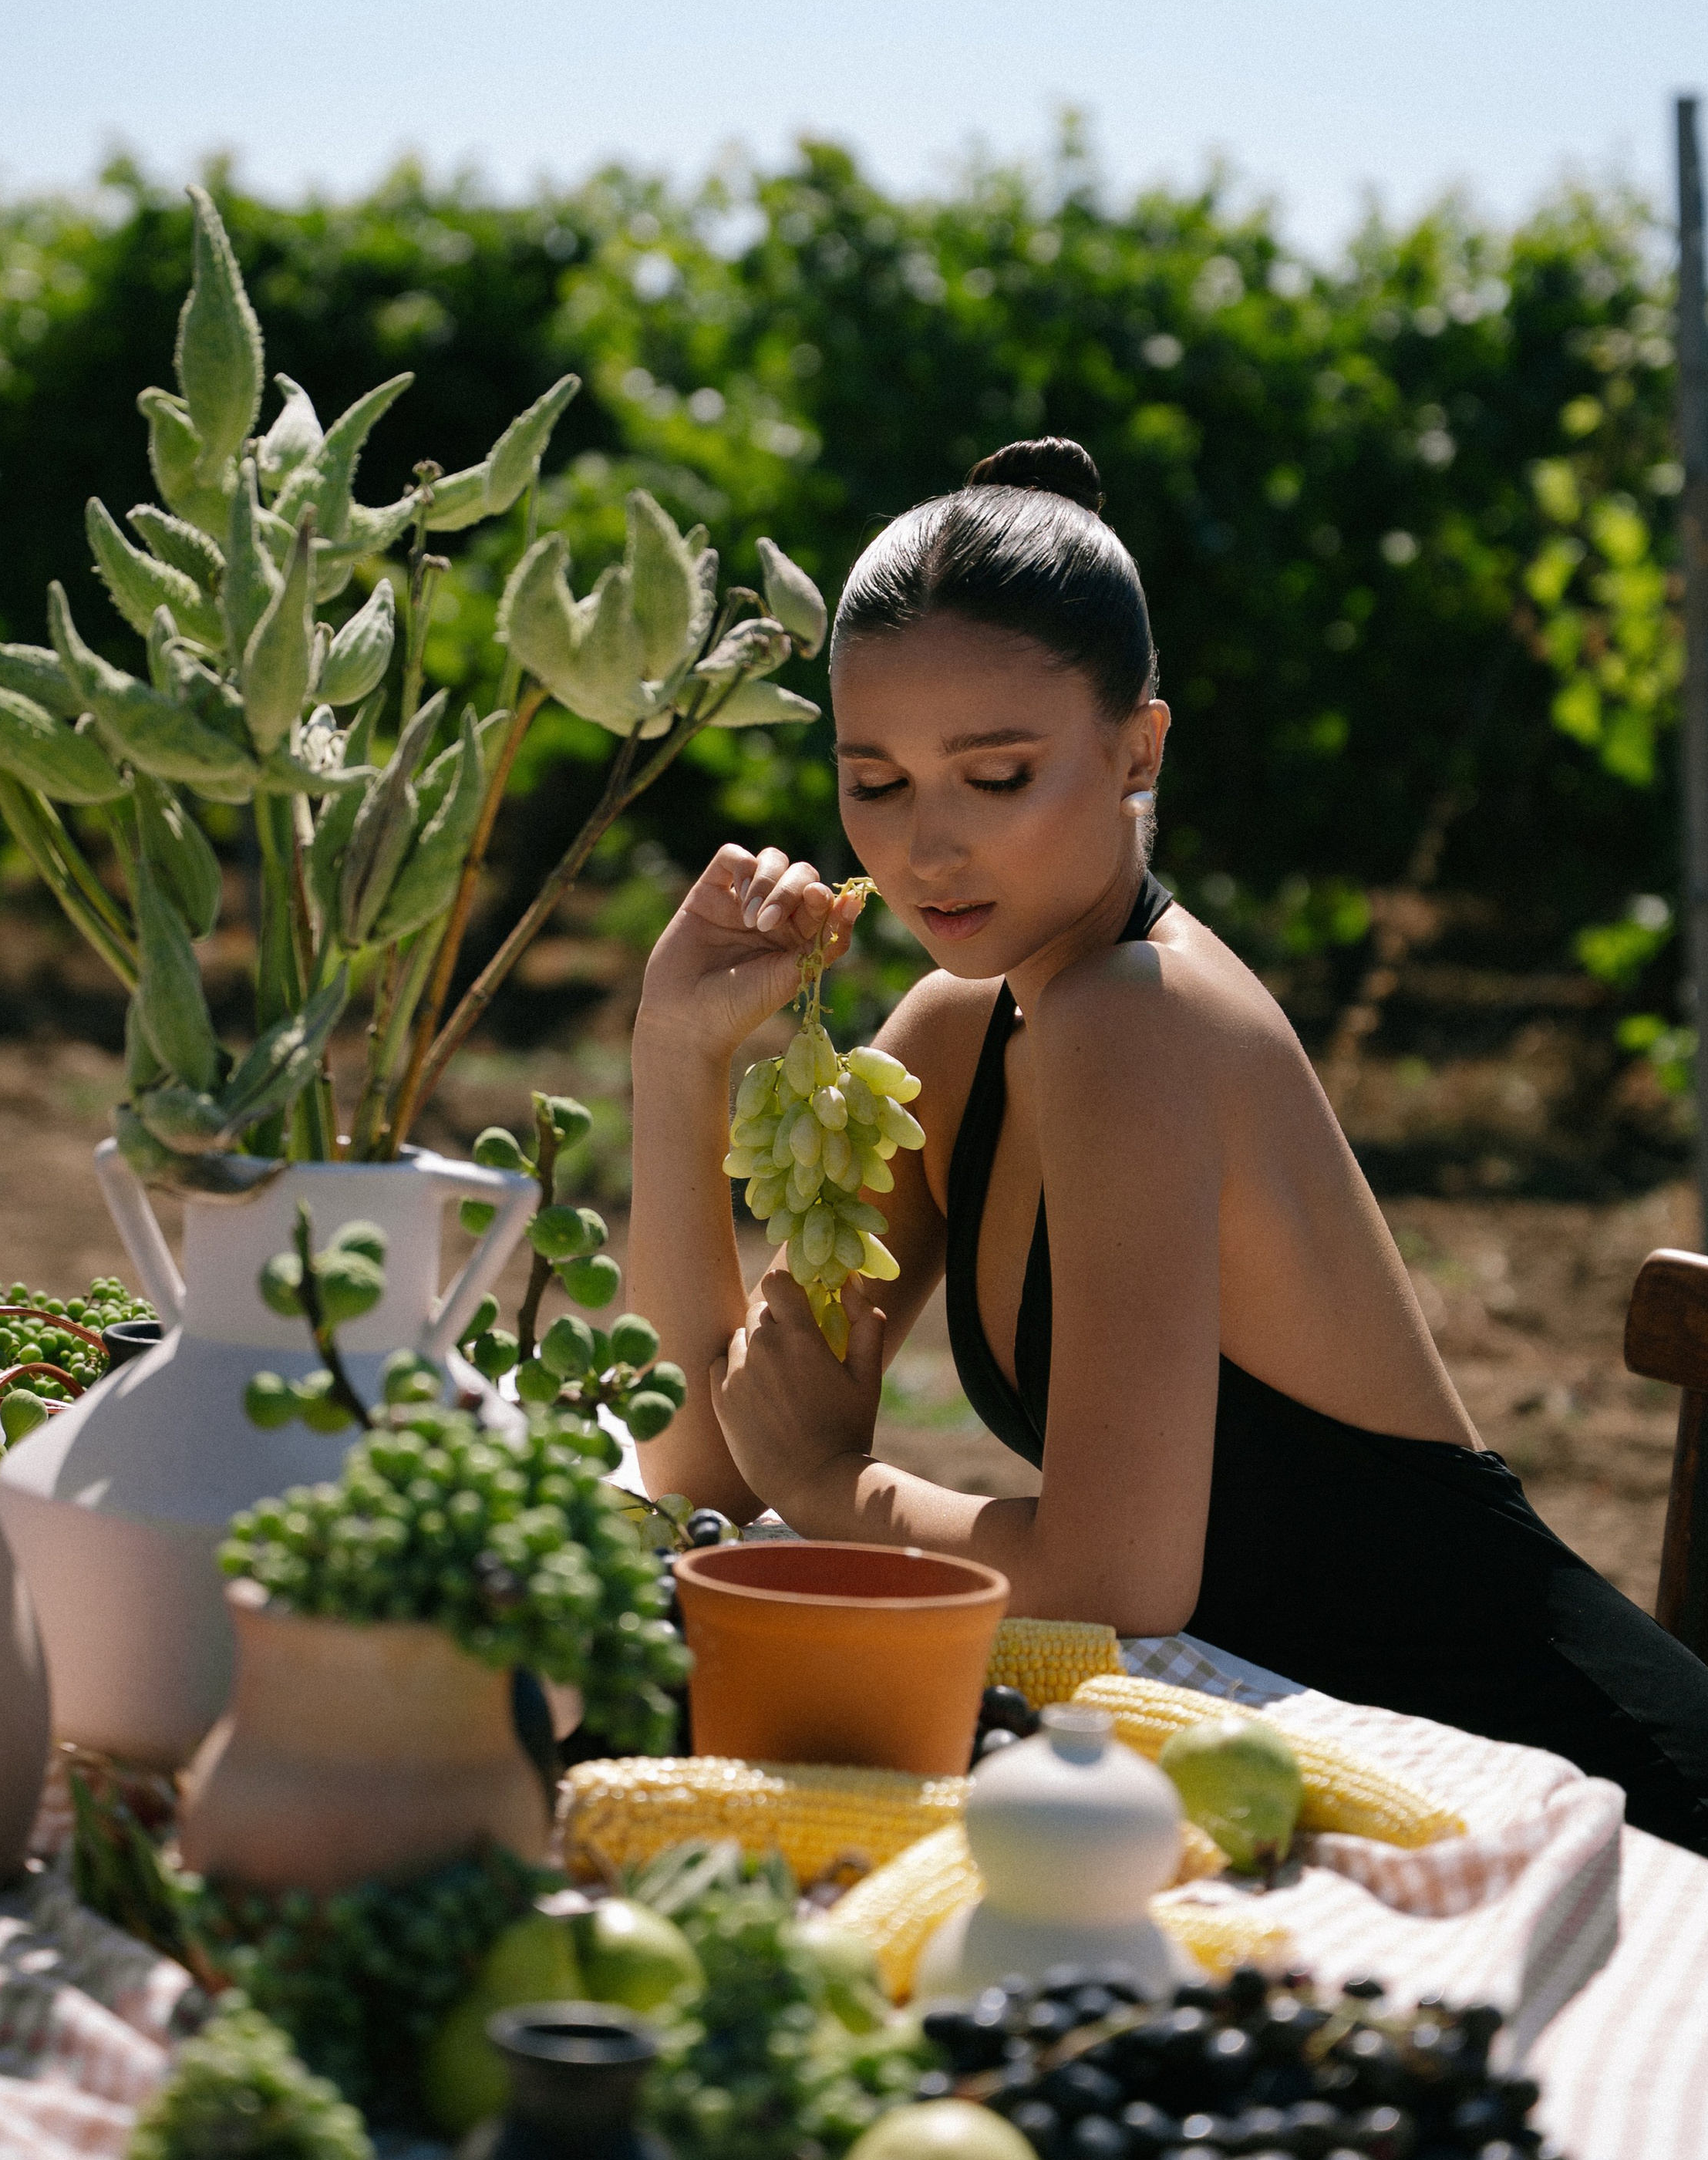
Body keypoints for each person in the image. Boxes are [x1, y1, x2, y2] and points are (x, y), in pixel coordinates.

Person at [629, 434, 1708, 1855]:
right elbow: (703, 1457)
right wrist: (674, 1055)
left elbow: (1107, 1582)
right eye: (875, 783)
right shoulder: (960, 1028)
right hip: (1297, 1764)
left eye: (997, 777)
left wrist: (837, 1490)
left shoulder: (1138, 1019)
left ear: (1138, 749)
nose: (926, 851)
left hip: (1558, 1771)